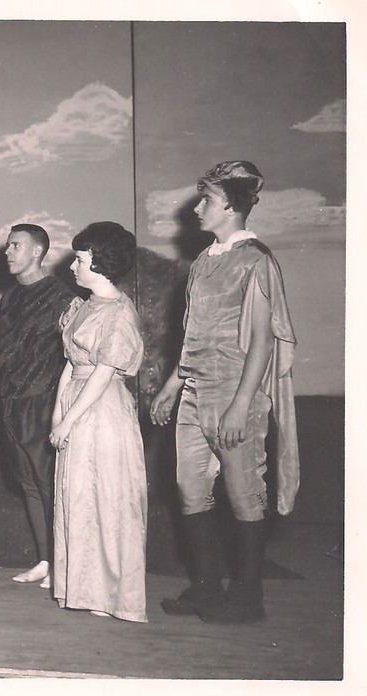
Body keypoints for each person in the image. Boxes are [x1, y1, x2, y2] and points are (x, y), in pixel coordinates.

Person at [150, 161, 298, 624]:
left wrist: (240, 406)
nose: (198, 208)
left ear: (231, 206)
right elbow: (194, 335)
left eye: (207, 200)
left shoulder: (256, 261)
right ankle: (208, 590)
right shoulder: (203, 261)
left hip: (236, 395)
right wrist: (173, 385)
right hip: (195, 392)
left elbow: (263, 341)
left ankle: (248, 598)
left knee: (243, 493)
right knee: (190, 489)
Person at [49, 222, 148, 623]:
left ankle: (111, 595)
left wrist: (68, 421)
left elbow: (103, 374)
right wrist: (58, 413)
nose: (72, 266)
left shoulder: (120, 313)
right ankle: (84, 589)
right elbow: (71, 364)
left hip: (102, 410)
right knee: (77, 497)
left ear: (101, 262)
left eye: (80, 259)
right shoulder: (82, 306)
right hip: (76, 400)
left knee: (106, 498)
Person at [0, 223, 76, 587]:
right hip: (12, 401)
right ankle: (45, 560)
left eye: (16, 246)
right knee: (27, 482)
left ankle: (64, 565)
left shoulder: (62, 297)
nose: (7, 252)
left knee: (47, 483)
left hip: (44, 400)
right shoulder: (9, 298)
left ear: (37, 251)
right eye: (8, 245)